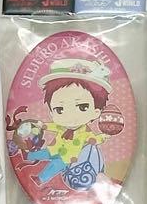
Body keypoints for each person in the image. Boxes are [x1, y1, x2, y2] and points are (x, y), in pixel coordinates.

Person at [18, 58, 113, 189]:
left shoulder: (85, 132)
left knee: (55, 166)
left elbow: (93, 139)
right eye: (60, 109)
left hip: (68, 157)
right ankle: (28, 155)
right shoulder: (61, 127)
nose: (70, 116)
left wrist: (102, 137)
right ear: (51, 112)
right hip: (54, 149)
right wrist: (42, 125)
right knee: (43, 153)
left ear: (96, 112)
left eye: (83, 107)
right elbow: (52, 126)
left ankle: (40, 179)